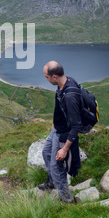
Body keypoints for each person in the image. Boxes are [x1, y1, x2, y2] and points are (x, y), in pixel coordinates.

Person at [38, 60, 82, 203]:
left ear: (54, 76)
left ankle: (67, 200)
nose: (46, 79)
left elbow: (76, 126)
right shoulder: (63, 83)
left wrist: (64, 149)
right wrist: (55, 121)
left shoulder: (70, 96)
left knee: (56, 166)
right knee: (46, 152)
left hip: (64, 134)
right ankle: (52, 182)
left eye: (46, 77)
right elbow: (61, 108)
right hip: (57, 128)